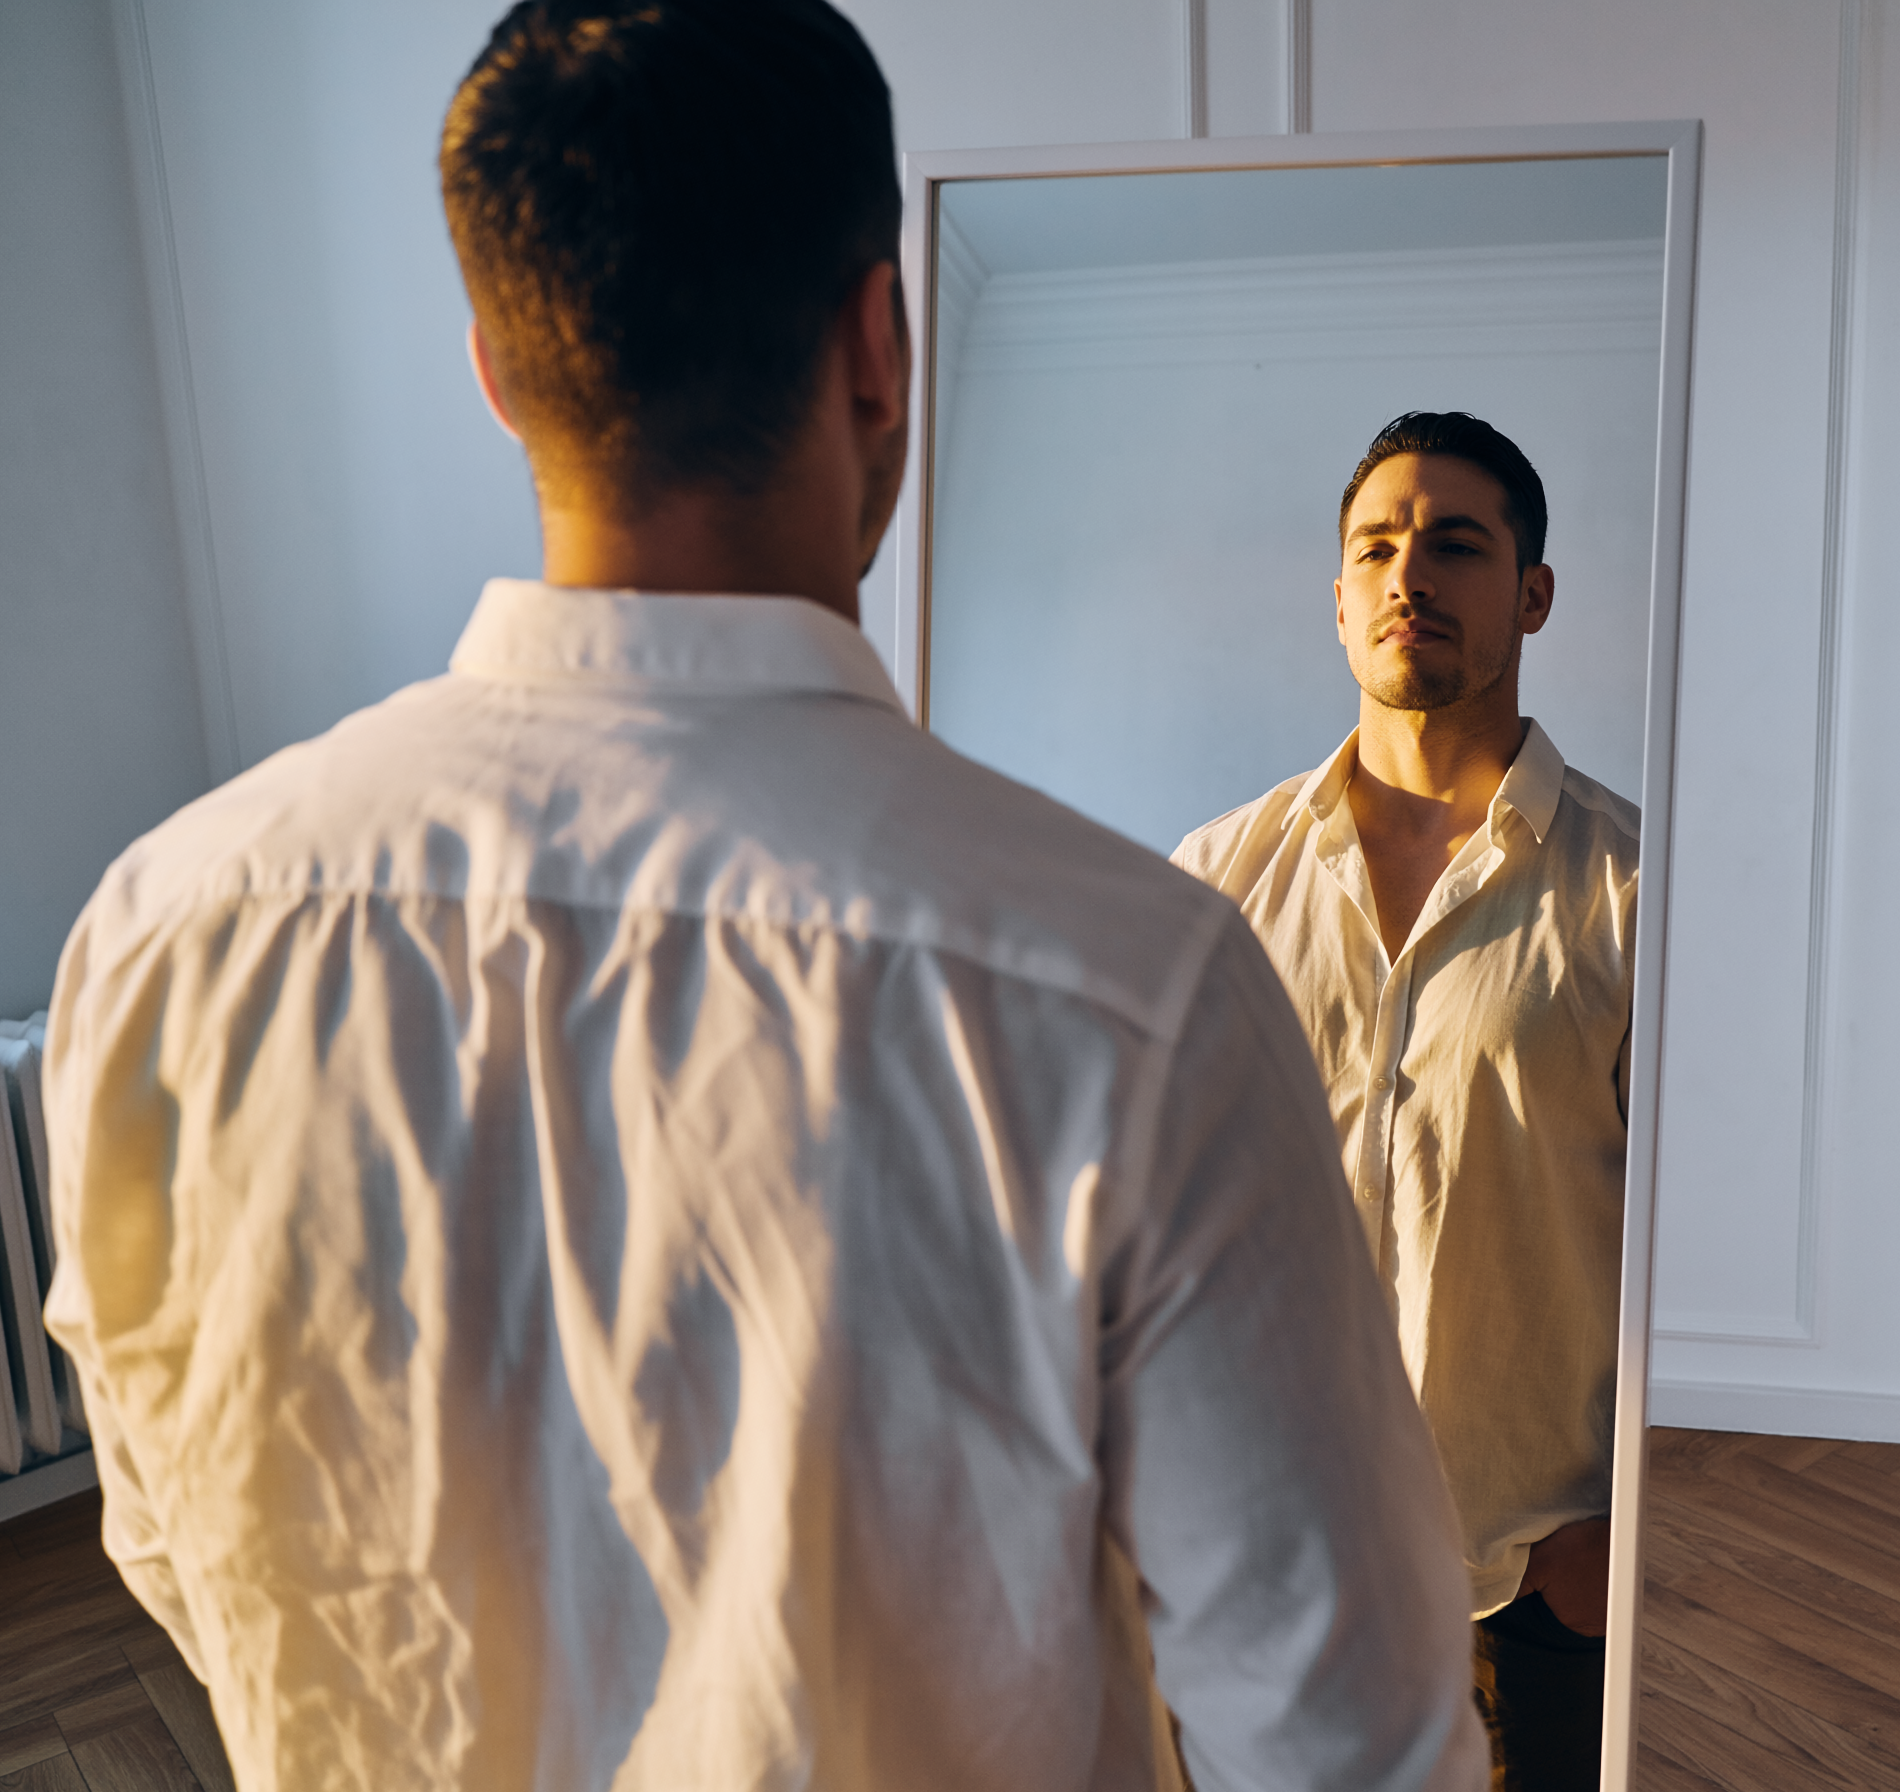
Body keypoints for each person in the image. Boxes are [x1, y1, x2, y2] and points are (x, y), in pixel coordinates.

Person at [40, 9, 1489, 1788]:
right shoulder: (1132, 995)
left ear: (497, 363)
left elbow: (178, 1542)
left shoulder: (155, 946)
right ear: (878, 345)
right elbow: (1348, 1740)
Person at [1173, 412, 1638, 1792]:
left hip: (1542, 1582)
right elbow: (1164, 1210)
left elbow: (1697, 1243)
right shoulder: (1217, 878)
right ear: (1337, 600)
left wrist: (1619, 1527)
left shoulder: (1630, 893)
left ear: (1532, 594)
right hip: (1270, 1561)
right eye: (1376, 546)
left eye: (1454, 543)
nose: (1407, 575)